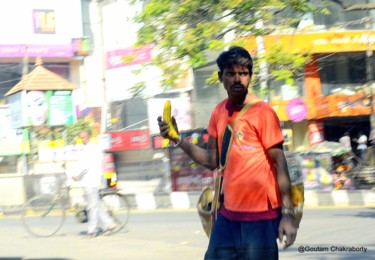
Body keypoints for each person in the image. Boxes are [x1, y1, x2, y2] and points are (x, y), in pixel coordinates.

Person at [157, 46, 297, 259]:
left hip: (261, 218)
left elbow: (280, 163)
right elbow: (212, 160)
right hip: (228, 216)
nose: (237, 79)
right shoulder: (219, 112)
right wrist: (177, 139)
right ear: (220, 76)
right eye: (231, 73)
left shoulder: (263, 113)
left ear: (250, 77)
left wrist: (287, 215)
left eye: (243, 73)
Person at [73, 130, 116, 238]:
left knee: (92, 208)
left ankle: (92, 231)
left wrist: (77, 176)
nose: (83, 140)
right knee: (95, 205)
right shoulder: (94, 147)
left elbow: (85, 166)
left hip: (90, 181)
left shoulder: (89, 148)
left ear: (88, 137)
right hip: (93, 180)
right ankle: (109, 224)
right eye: (81, 138)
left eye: (84, 137)